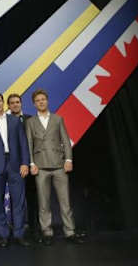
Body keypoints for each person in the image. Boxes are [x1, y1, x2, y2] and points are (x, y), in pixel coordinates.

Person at [25, 89, 83, 245]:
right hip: (40, 166)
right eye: (38, 100)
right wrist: (31, 163)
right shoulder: (30, 122)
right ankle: (47, 233)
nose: (41, 102)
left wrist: (68, 159)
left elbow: (65, 140)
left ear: (47, 101)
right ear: (34, 103)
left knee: (65, 202)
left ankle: (70, 232)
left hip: (58, 165)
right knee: (43, 203)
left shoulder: (58, 119)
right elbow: (29, 144)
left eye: (43, 99)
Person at [0, 92, 31, 248]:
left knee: (18, 201)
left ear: (3, 103)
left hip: (15, 164)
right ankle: (3, 235)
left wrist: (25, 163)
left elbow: (23, 143)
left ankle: (18, 235)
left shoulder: (15, 121)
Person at [7, 93, 39, 240]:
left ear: (21, 104)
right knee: (16, 200)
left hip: (31, 164)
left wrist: (31, 163)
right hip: (13, 166)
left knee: (33, 198)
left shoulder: (31, 120)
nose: (15, 105)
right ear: (8, 106)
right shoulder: (5, 121)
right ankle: (17, 230)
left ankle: (34, 229)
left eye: (17, 102)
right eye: (12, 103)